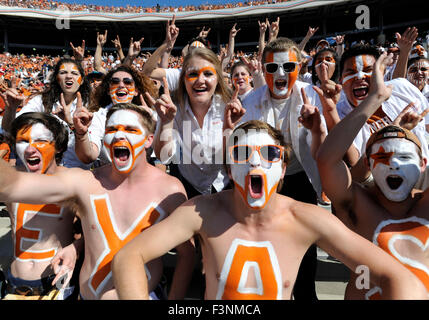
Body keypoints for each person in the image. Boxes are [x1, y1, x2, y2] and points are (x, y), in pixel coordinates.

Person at [112, 120, 427, 300]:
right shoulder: (201, 211)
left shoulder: (306, 218)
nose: (254, 161)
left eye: (269, 153)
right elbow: (129, 257)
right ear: (228, 166)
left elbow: (401, 280)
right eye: (241, 153)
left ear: (283, 166)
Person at [0, 103, 194, 300]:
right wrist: (78, 247)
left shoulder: (170, 189)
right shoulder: (86, 181)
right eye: (111, 129)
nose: (118, 135)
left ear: (148, 140)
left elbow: (187, 254)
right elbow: (10, 186)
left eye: (130, 129)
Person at [317, 51, 429, 299]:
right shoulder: (359, 206)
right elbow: (327, 160)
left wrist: (395, 129)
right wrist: (375, 98)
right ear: (368, 162)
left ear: (423, 164)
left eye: (404, 157)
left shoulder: (425, 205)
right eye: (382, 157)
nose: (394, 165)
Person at [230, 37, 326, 300]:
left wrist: (315, 128)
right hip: (266, 181)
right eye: (272, 68)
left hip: (301, 178)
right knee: (267, 239)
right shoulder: (250, 101)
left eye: (287, 67)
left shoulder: (311, 96)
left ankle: (307, 294)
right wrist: (231, 127)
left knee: (305, 243)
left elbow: (321, 153)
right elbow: (239, 149)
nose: (280, 74)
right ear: (263, 69)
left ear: (299, 66)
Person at [0, 112, 81, 300]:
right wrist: (10, 109)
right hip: (15, 283)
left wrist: (76, 248)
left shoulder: (74, 183)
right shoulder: (11, 180)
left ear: (59, 146)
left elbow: (93, 231)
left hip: (55, 284)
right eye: (23, 141)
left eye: (40, 140)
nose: (30, 149)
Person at [151, 47, 232, 199]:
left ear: (218, 79)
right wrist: (167, 122)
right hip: (189, 187)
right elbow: (164, 157)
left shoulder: (229, 107)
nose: (200, 80)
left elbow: (237, 157)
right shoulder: (173, 109)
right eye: (193, 74)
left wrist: (231, 129)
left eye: (208, 73)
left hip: (225, 185)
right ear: (183, 79)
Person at [1, 58, 92, 169]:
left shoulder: (91, 107)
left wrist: (73, 125)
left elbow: (89, 156)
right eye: (63, 72)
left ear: (82, 80)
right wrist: (11, 109)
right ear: (57, 79)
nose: (69, 76)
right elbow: (9, 129)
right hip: (41, 173)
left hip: (75, 174)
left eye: (74, 73)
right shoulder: (41, 101)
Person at [73, 64, 157, 165]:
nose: (121, 85)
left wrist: (161, 124)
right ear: (108, 91)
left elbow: (165, 156)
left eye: (127, 82)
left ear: (136, 91)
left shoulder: (149, 116)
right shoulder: (99, 117)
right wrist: (81, 134)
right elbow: (89, 156)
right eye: (115, 82)